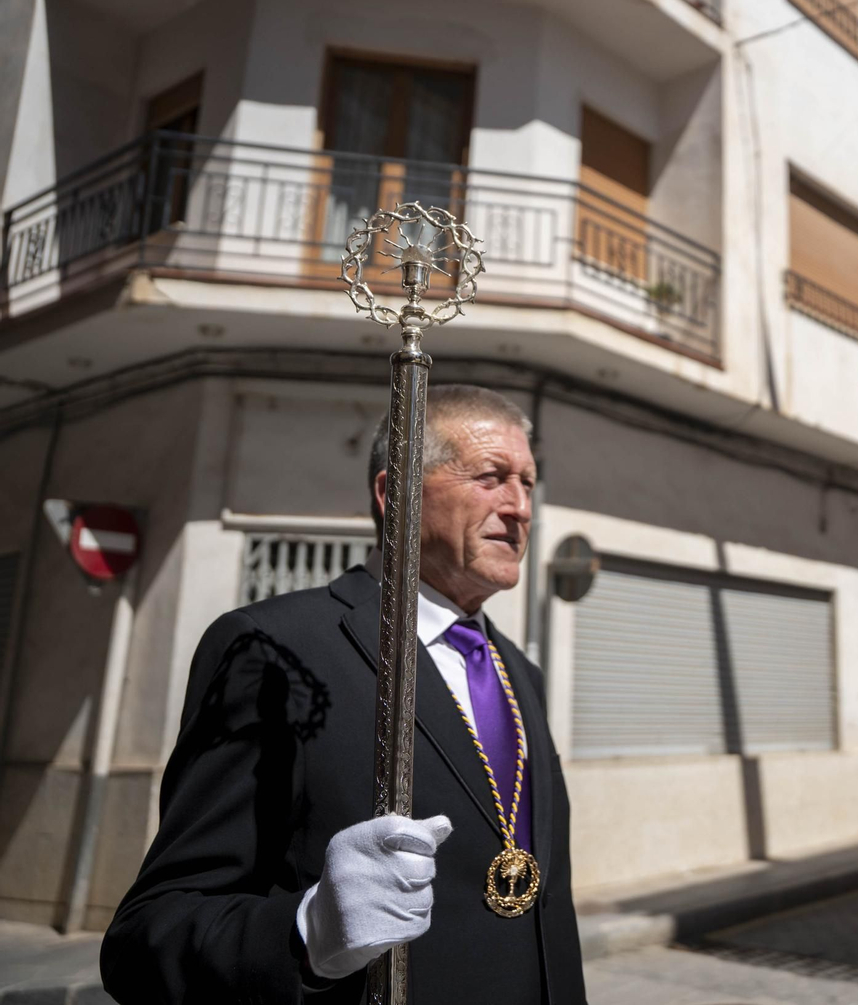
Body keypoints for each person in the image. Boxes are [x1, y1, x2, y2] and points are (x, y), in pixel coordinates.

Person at [100, 386, 586, 1003]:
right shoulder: (274, 650)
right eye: (490, 477)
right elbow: (148, 940)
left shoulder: (520, 672)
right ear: (395, 494)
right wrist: (310, 933)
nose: (519, 507)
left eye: (528, 483)